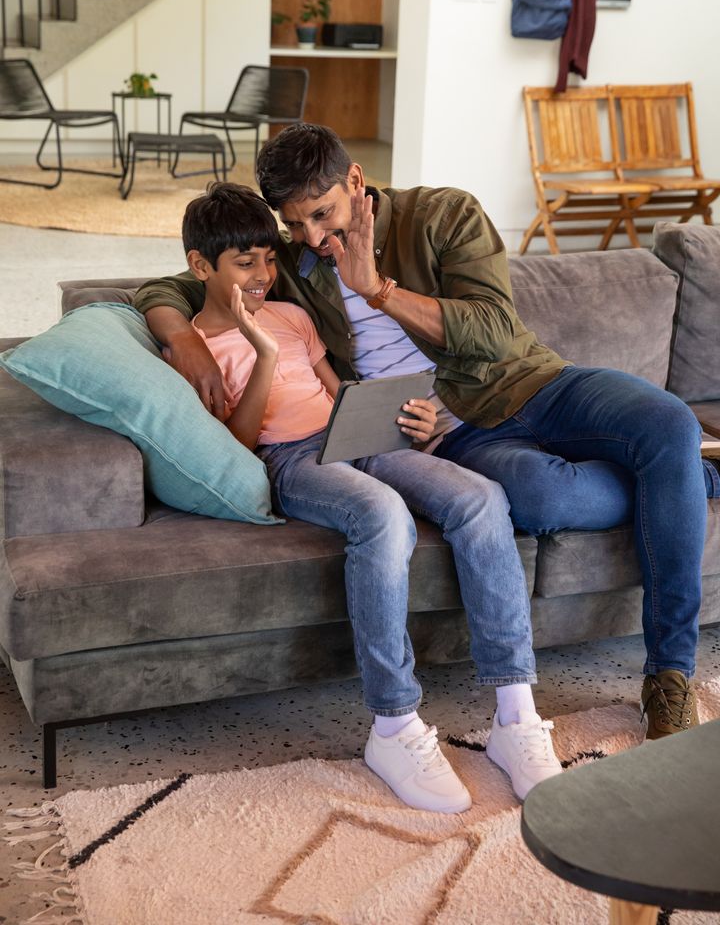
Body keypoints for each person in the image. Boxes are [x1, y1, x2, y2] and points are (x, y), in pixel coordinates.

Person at [134, 124, 720, 742]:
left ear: (355, 181)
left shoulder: (445, 214)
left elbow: (494, 328)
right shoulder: (298, 260)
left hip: (534, 384)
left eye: (324, 215)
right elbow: (176, 284)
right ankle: (687, 476)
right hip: (456, 438)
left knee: (668, 422)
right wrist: (178, 337)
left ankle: (669, 673)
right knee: (545, 500)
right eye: (295, 224)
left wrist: (378, 291)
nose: (312, 237)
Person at [169, 182, 562, 813]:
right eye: (246, 264)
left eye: (270, 259)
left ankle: (515, 715)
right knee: (383, 514)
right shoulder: (193, 350)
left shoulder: (294, 315)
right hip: (289, 458)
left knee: (482, 497)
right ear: (200, 266)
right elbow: (238, 444)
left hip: (352, 436)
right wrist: (263, 351)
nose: (264, 275)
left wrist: (400, 420)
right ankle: (393, 724)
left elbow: (338, 390)